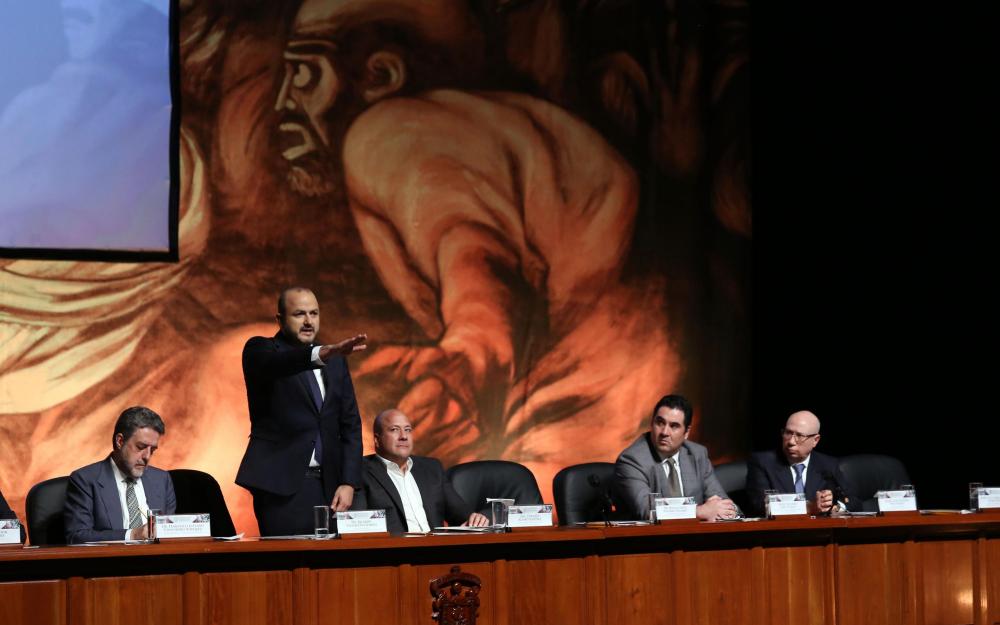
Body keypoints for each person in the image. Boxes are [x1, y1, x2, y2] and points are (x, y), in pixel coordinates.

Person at [235, 287, 367, 536]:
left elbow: (350, 423)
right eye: (299, 314)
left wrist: (349, 482)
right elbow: (280, 364)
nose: (308, 321)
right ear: (280, 319)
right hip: (281, 486)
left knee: (334, 560)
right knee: (289, 559)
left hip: (331, 487)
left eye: (314, 313)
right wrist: (322, 353)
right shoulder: (260, 350)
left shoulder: (336, 360)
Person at [352, 409, 489, 534]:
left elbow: (462, 515)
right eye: (394, 430)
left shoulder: (432, 468)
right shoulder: (360, 471)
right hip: (394, 550)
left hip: (437, 547)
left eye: (407, 430)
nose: (403, 436)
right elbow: (357, 527)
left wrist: (476, 519)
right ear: (377, 440)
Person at [614, 395, 737, 522]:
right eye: (660, 423)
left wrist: (725, 510)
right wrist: (700, 511)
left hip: (696, 533)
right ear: (652, 423)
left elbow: (726, 505)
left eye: (674, 426)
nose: (664, 432)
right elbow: (647, 511)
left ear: (686, 432)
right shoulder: (632, 460)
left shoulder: (697, 454)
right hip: (652, 534)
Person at [64, 406, 176, 544]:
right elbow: (77, 536)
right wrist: (133, 534)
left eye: (152, 450)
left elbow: (169, 534)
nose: (147, 456)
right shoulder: (85, 480)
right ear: (120, 441)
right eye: (141, 447)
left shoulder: (162, 480)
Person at [745, 410, 859, 517]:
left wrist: (835, 508)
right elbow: (759, 505)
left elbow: (854, 501)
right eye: (788, 433)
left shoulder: (828, 464)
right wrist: (809, 508)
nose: (791, 442)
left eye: (799, 436)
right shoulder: (763, 462)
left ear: (815, 440)